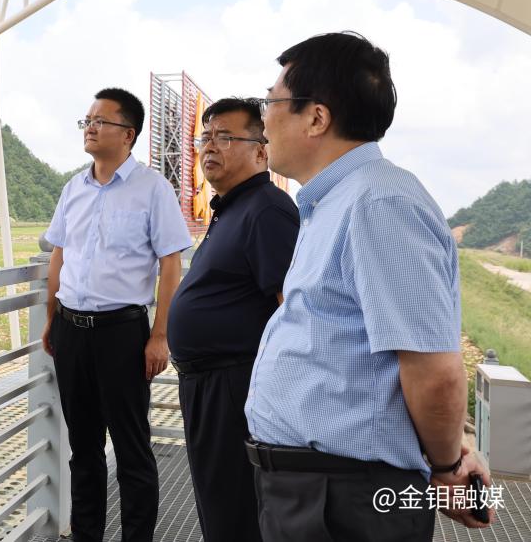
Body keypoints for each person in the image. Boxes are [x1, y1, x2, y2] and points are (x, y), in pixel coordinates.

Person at [246, 31, 493, 540]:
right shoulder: (334, 202)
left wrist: (447, 467)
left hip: (345, 499)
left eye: (270, 102)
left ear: (316, 117)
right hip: (318, 489)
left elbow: (433, 371)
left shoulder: (378, 204)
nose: (262, 120)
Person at [41, 87, 192, 542]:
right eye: (87, 120)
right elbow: (58, 255)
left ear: (128, 133)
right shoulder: (74, 188)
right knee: (83, 448)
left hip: (122, 334)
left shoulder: (153, 188)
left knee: (131, 449)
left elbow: (170, 263)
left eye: (100, 121)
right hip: (71, 330)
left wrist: (159, 335)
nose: (89, 128)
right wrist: (51, 319)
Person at [166, 97, 299, 542]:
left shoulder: (267, 210)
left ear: (261, 151)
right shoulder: (233, 208)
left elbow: (292, 312)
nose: (209, 146)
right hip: (210, 386)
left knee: (235, 511)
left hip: (234, 388)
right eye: (205, 137)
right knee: (217, 504)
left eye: (225, 137)